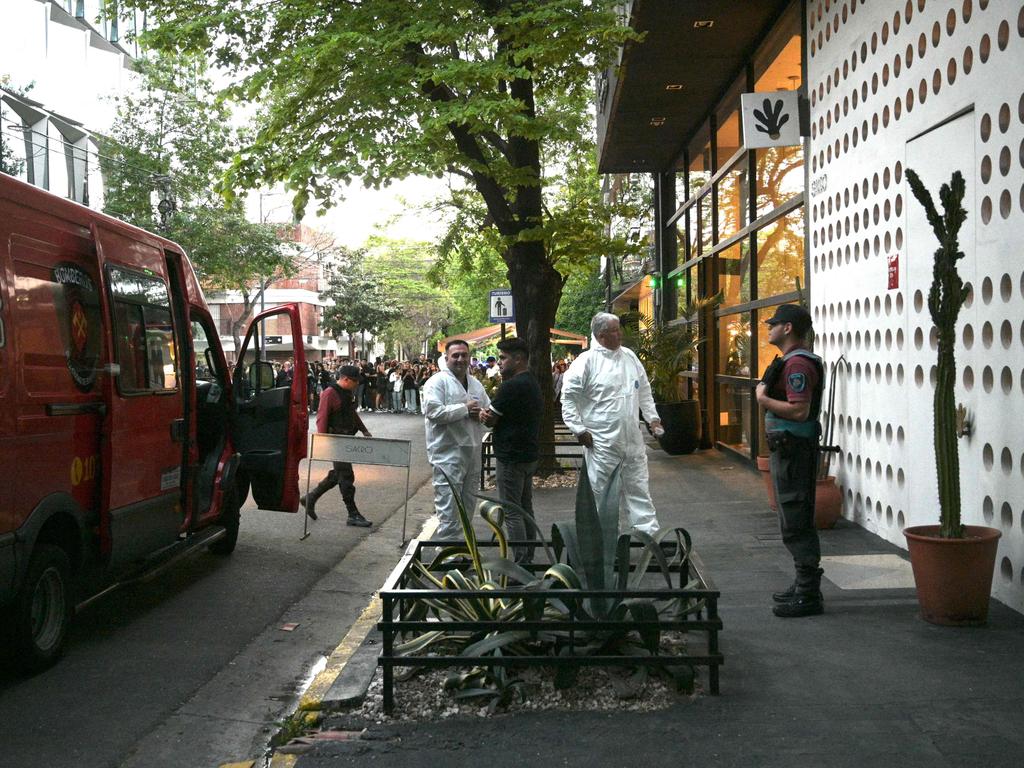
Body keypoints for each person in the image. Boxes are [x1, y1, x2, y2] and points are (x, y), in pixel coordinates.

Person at [561, 312, 663, 535]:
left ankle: (650, 537)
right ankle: (607, 545)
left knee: (639, 489)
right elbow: (568, 398)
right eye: (615, 331)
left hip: (632, 441)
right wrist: (578, 429)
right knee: (603, 494)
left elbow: (644, 391)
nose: (621, 335)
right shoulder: (585, 363)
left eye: (619, 329)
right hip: (602, 443)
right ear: (601, 336)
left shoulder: (629, 357)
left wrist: (652, 418)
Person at [755, 304, 826, 618]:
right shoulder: (793, 361)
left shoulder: (798, 364)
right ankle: (802, 585)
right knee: (791, 516)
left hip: (794, 450)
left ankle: (808, 594)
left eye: (775, 324)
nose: (769, 328)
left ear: (788, 328)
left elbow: (800, 411)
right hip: (789, 449)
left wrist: (763, 399)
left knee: (796, 517)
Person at [480, 338, 543, 563]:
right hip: (529, 455)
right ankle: (528, 557)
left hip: (510, 456)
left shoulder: (511, 386)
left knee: (512, 511)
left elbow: (491, 420)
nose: (500, 362)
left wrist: (483, 415)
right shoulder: (532, 382)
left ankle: (520, 563)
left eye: (504, 357)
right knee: (526, 508)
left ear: (518, 359)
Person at [421, 340, 490, 541]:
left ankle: (465, 548)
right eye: (455, 355)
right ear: (446, 358)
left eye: (464, 355)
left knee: (468, 503)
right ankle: (449, 553)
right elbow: (433, 412)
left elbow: (486, 408)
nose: (460, 359)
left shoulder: (476, 384)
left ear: (469, 357)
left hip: (472, 453)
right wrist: (464, 409)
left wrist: (483, 415)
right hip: (446, 454)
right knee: (449, 504)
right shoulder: (437, 382)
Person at [301, 364, 373, 527]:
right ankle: (352, 514)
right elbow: (322, 418)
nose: (357, 384)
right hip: (335, 441)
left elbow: (351, 413)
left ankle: (310, 498)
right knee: (346, 477)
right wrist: (323, 441)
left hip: (346, 439)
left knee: (338, 474)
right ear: (346, 379)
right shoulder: (329, 393)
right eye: (355, 381)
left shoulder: (347, 393)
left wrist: (363, 429)